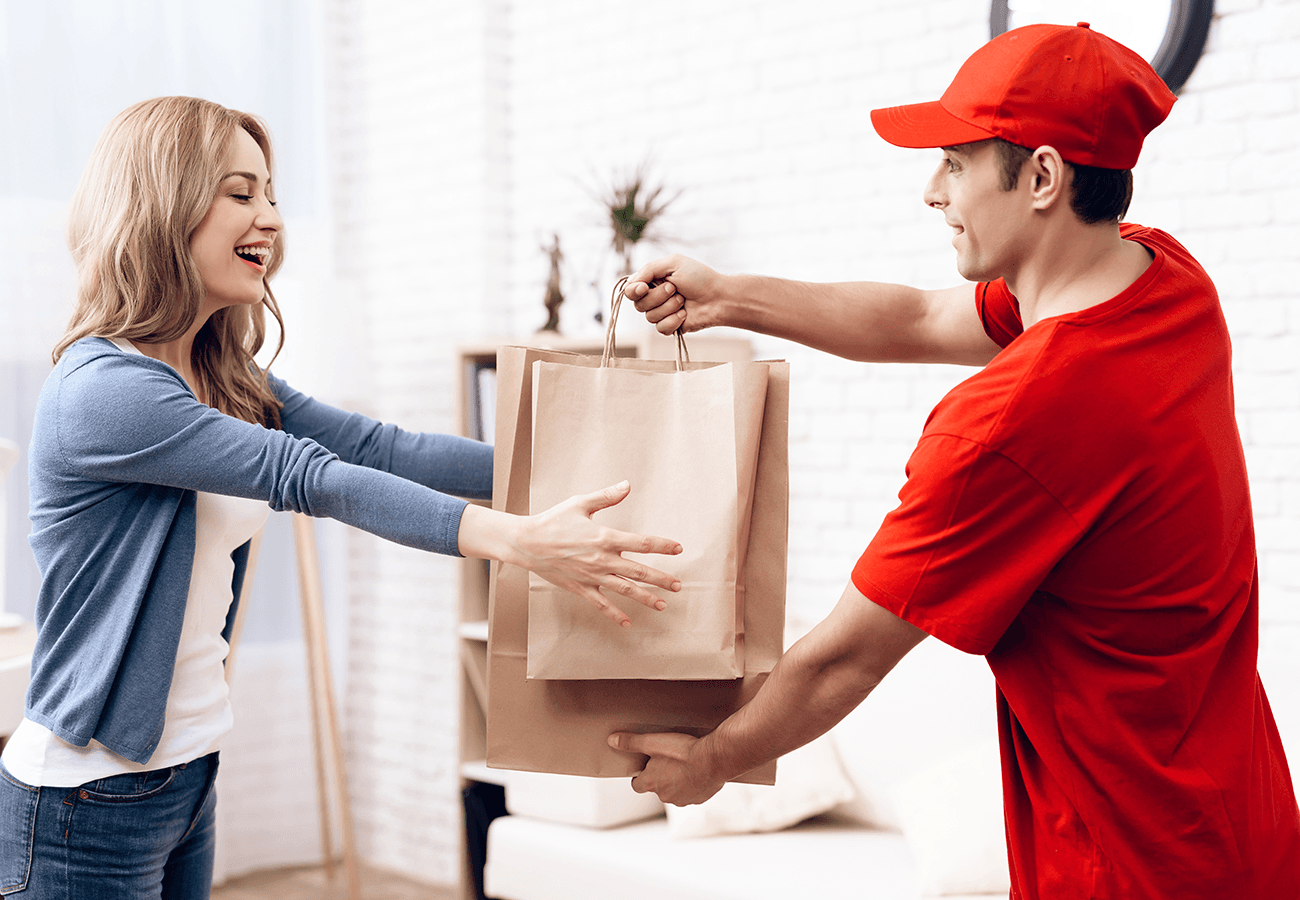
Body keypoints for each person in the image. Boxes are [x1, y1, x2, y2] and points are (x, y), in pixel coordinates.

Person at [609, 23, 1300, 900]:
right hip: (1245, 831)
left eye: (957, 163)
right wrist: (729, 297)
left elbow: (845, 659)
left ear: (1043, 177)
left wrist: (712, 762)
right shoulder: (1164, 281)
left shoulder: (1014, 420)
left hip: (1126, 866)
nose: (931, 191)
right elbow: (919, 320)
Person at [0, 96, 682, 900]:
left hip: (183, 777)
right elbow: (311, 475)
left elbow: (373, 448)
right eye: (240, 193)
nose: (272, 219)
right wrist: (517, 539)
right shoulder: (106, 391)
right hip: (85, 800)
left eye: (272, 195)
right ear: (162, 204)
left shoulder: (221, 375)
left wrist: (589, 466)